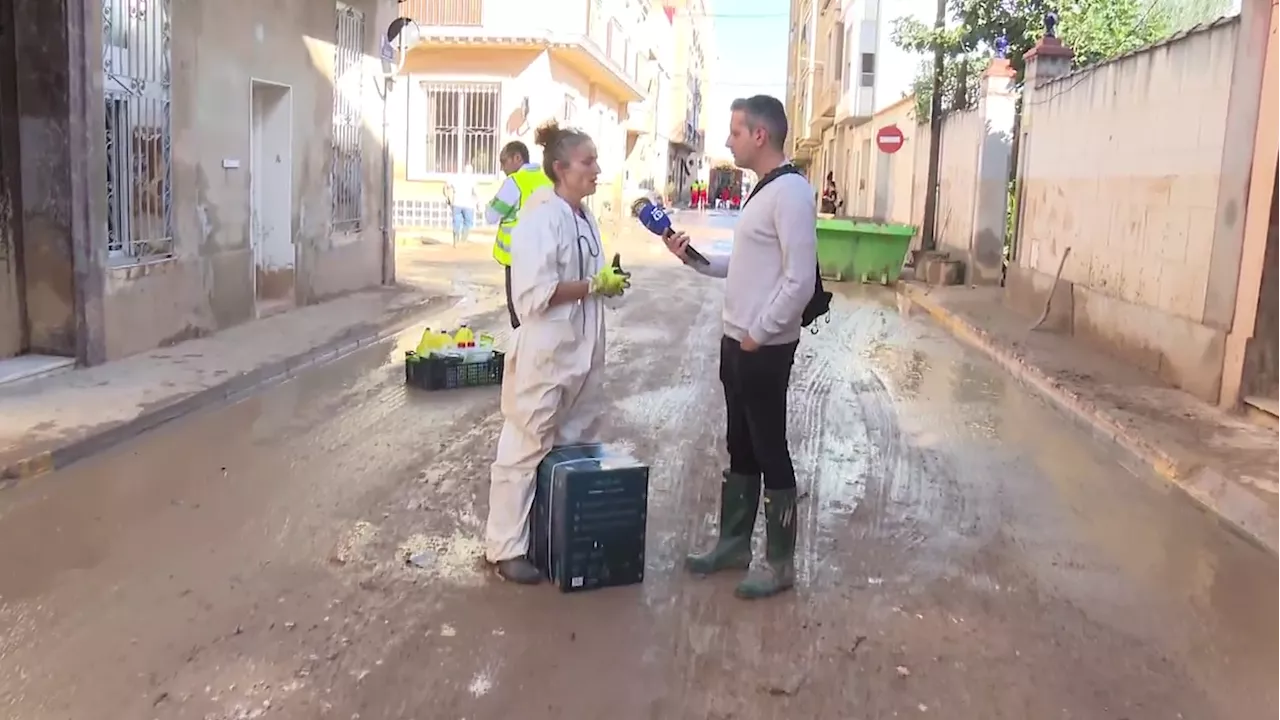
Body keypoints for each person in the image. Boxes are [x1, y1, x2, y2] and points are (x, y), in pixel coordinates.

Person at [664, 95, 817, 600]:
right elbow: (745, 263)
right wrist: (694, 259)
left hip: (763, 347)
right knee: (741, 446)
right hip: (739, 342)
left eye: (734, 131)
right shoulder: (765, 190)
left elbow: (798, 281)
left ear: (760, 135)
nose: (727, 140)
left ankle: (780, 564)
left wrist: (757, 333)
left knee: (770, 447)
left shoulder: (791, 192)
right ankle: (733, 546)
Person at [484, 121, 633, 584]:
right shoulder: (540, 214)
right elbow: (534, 293)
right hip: (547, 353)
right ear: (560, 168)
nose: (597, 170)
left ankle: (553, 538)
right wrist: (592, 285)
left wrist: (608, 282)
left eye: (595, 161)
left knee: (574, 446)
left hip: (584, 352)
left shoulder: (584, 216)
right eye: (588, 162)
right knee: (526, 446)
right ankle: (505, 548)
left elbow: (589, 279)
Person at [486, 141, 554, 329]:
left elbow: (491, 215)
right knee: (540, 309)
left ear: (517, 158)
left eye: (503, 161)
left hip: (517, 259)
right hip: (544, 258)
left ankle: (522, 354)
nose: (502, 168)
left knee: (518, 312)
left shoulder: (514, 182)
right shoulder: (547, 180)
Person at [445, 164, 478, 246]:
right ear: (471, 171)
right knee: (468, 222)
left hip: (456, 203)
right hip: (468, 205)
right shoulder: (472, 179)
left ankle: (456, 241)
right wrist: (477, 202)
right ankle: (463, 241)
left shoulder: (455, 178)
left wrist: (448, 198)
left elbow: (446, 187)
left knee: (456, 221)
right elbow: (475, 192)